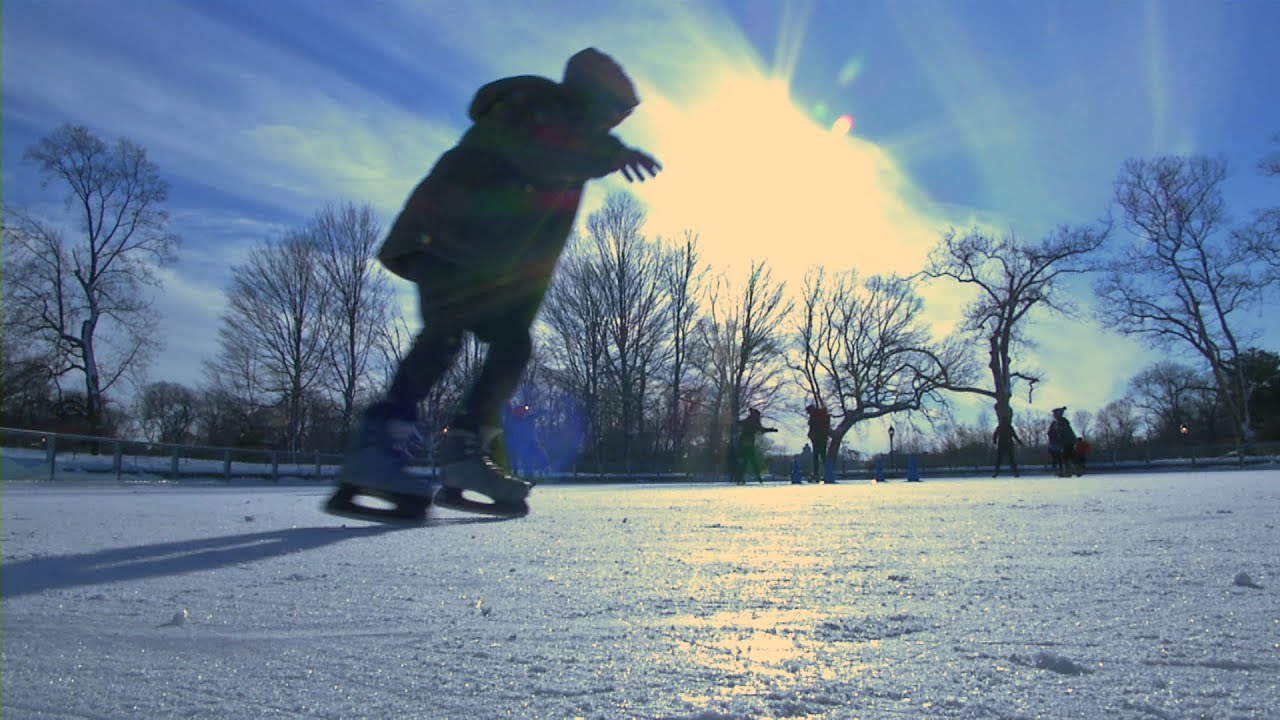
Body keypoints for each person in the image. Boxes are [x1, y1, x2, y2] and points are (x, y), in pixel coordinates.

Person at [325, 48, 661, 522]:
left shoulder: (573, 150)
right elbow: (538, 151)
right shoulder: (530, 106)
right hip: (445, 234)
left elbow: (540, 244)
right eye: (612, 115)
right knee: (444, 333)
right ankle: (377, 447)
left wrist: (521, 305)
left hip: (482, 261)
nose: (613, 128)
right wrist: (608, 154)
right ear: (590, 100)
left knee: (512, 344)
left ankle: (465, 452)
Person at [736, 408, 778, 484]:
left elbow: (740, 423)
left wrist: (736, 421)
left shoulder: (748, 420)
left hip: (743, 442)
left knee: (746, 461)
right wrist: (771, 430)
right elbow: (761, 430)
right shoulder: (755, 422)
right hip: (748, 443)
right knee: (752, 461)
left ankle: (740, 479)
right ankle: (757, 479)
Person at [991, 412, 1022, 478]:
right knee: (1011, 460)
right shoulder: (1009, 427)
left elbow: (995, 435)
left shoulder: (1000, 427)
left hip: (1002, 445)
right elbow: (1014, 435)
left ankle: (996, 473)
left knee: (999, 460)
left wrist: (994, 441)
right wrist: (1019, 442)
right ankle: (1016, 473)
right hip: (1008, 444)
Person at [805, 403, 831, 481]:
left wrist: (811, 434)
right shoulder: (822, 416)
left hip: (817, 438)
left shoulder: (814, 417)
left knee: (816, 456)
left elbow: (813, 427)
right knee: (822, 456)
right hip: (823, 438)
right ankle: (827, 472)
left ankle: (817, 474)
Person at [1052, 407, 1079, 477]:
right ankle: (1076, 469)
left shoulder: (1061, 421)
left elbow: (1063, 432)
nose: (1053, 415)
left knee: (1065, 456)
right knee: (1070, 456)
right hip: (1068, 441)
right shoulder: (1060, 421)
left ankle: (1068, 471)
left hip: (1067, 441)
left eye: (1054, 414)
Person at [1046, 409, 1064, 475]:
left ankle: (1060, 469)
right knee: (1056, 458)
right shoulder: (1054, 423)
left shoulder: (1059, 422)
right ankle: (1057, 470)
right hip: (1054, 443)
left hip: (1056, 443)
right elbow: (1049, 433)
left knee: (1058, 458)